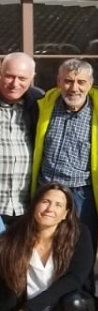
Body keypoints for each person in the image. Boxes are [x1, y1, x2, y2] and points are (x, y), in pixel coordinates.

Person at [0, 184, 96, 311]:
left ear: (66, 213)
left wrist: (28, 310)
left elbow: (75, 279)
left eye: (58, 204)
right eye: (45, 202)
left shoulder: (80, 234)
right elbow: (5, 286)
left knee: (76, 301)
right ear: (34, 205)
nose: (50, 208)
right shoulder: (13, 236)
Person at [31, 58, 98, 253]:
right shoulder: (42, 106)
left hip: (82, 195)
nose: (74, 88)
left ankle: (82, 285)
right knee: (44, 251)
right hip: (46, 189)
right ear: (58, 82)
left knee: (81, 252)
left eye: (81, 82)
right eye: (68, 81)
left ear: (90, 84)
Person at [1, 52, 40, 227]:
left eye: (22, 78)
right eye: (9, 76)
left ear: (32, 78)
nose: (15, 84)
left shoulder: (38, 104)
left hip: (25, 208)